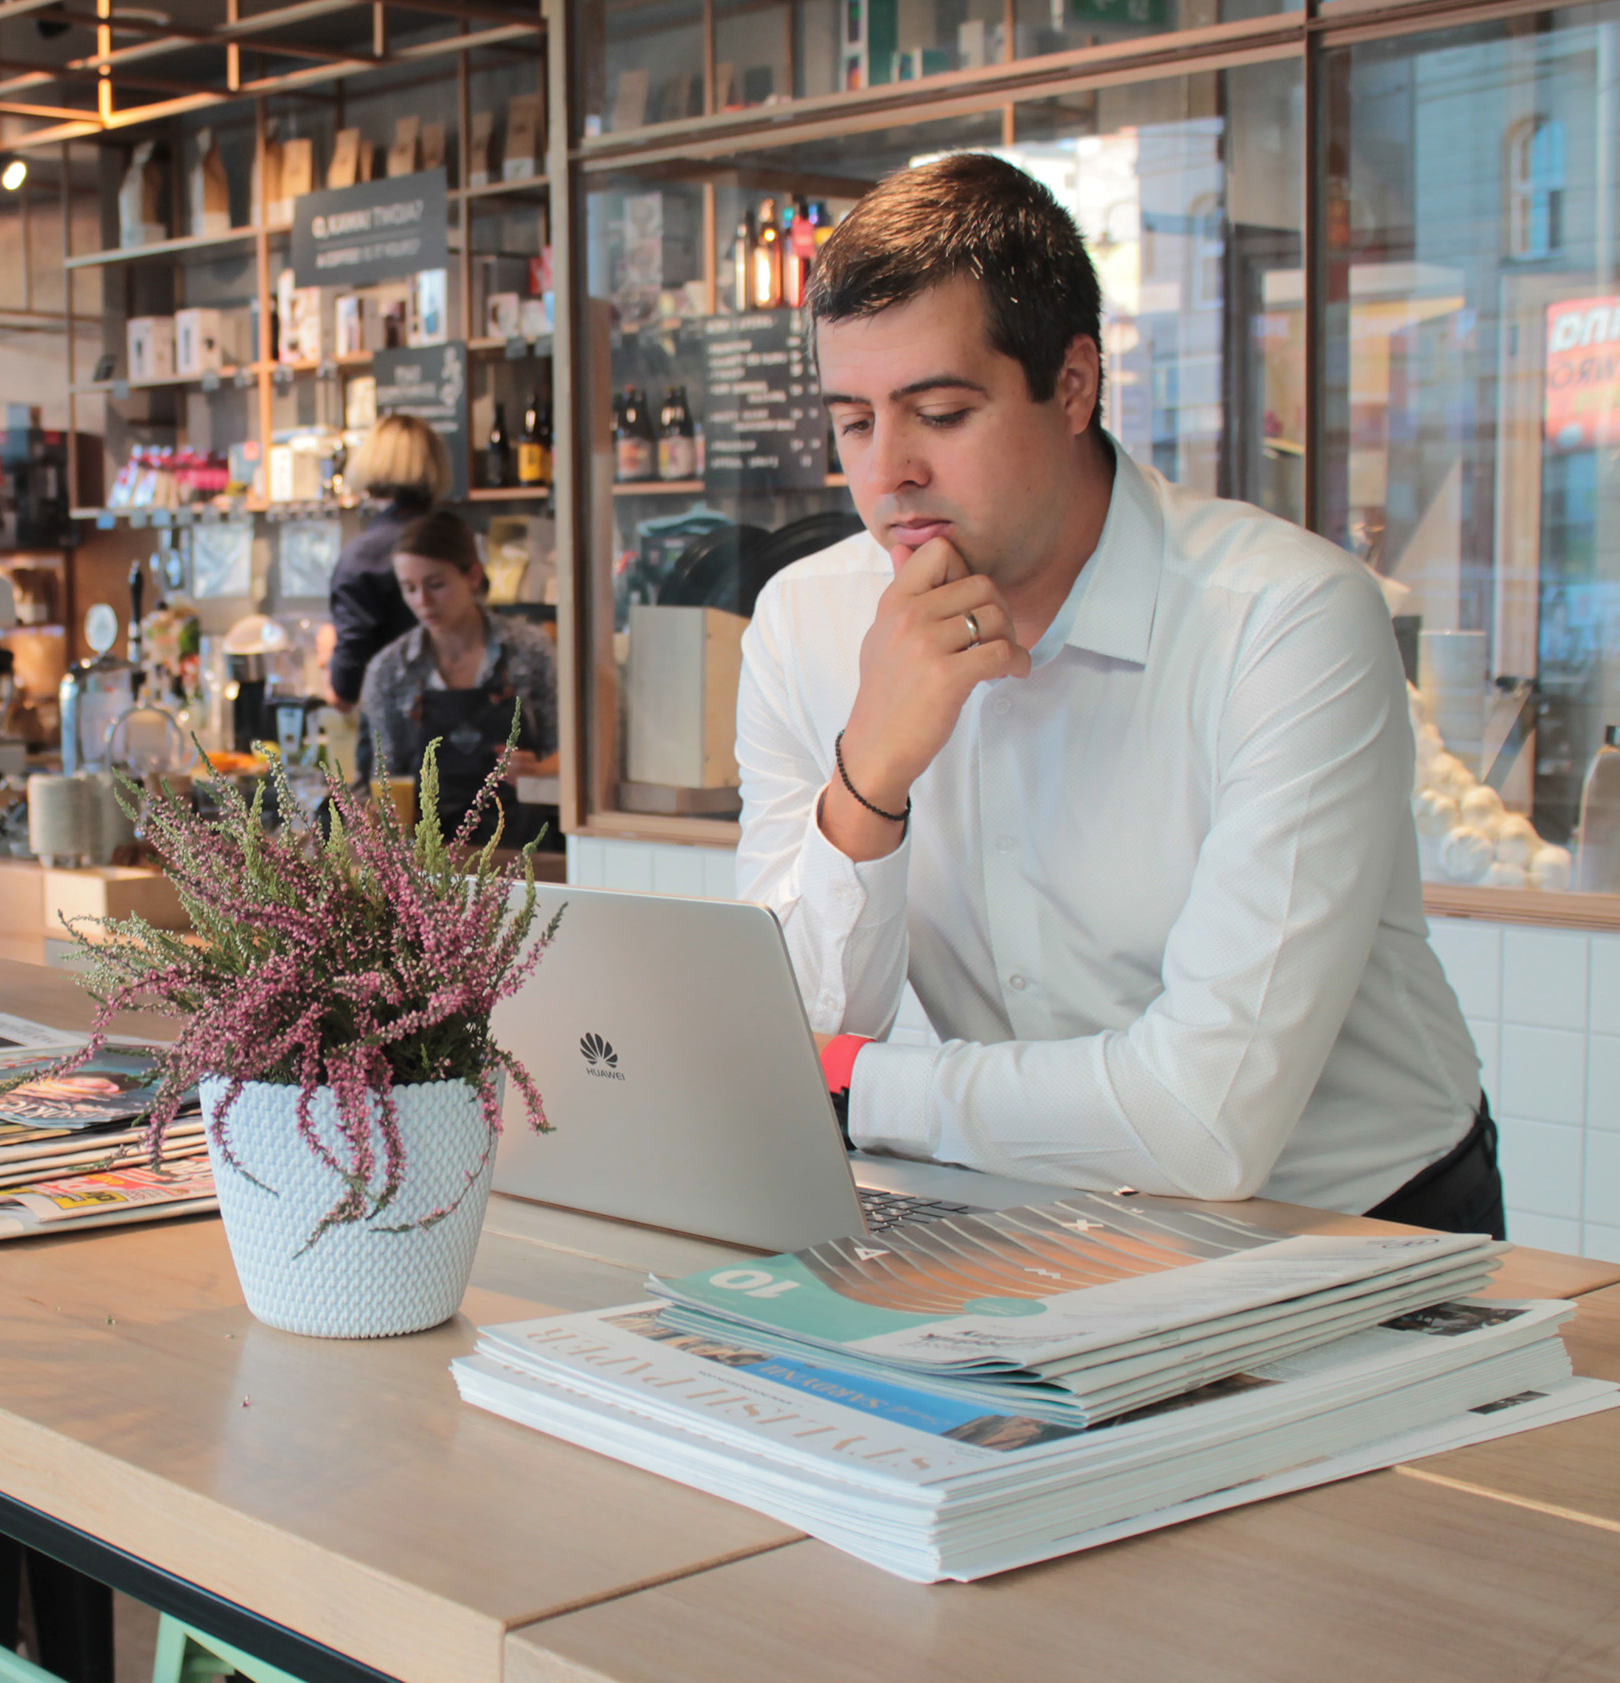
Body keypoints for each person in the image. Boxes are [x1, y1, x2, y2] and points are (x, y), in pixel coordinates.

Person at [736, 153, 1496, 1235]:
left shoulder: (1282, 618)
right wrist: (869, 778)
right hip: (1038, 1207)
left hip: (1355, 1215)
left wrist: (862, 1084)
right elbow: (790, 1031)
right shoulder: (803, 624)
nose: (886, 470)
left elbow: (1203, 1117)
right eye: (852, 421)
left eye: (940, 412)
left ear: (1074, 384)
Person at [357, 511, 558, 841]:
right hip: (427, 861)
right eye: (409, 588)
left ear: (473, 576)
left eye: (436, 585)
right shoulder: (389, 670)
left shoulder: (530, 652)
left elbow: (570, 756)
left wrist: (537, 769)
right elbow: (380, 780)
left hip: (525, 851)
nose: (422, 601)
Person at [328, 414, 450, 719]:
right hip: (468, 730)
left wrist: (326, 654)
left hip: (394, 736)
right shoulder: (456, 540)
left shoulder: (361, 557)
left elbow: (346, 689)